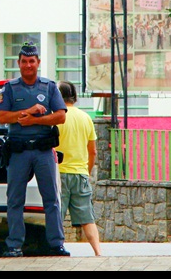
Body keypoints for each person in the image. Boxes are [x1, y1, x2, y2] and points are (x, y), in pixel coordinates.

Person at [0, 41, 70, 257]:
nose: (28, 65)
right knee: (15, 199)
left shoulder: (49, 87)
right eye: (24, 61)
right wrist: (27, 111)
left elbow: (61, 116)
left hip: (43, 151)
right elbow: (2, 117)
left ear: (38, 63)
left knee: (51, 199)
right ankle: (15, 245)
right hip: (18, 152)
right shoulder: (10, 88)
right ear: (18, 63)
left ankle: (56, 244)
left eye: (32, 61)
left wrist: (35, 120)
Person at [55, 80, 102, 256]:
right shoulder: (85, 118)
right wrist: (87, 172)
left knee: (56, 217)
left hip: (59, 174)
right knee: (87, 218)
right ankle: (98, 252)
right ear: (74, 96)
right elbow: (93, 151)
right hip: (80, 174)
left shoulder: (57, 118)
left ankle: (55, 248)